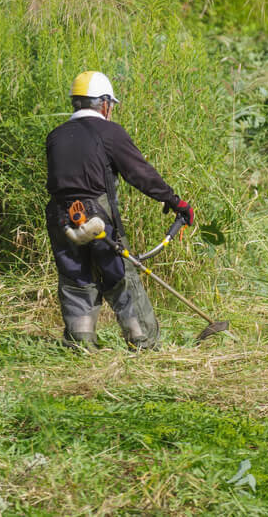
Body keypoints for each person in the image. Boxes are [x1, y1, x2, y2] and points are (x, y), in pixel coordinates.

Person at [45, 71, 194, 350]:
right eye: (110, 104)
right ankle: (143, 342)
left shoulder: (56, 136)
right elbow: (140, 173)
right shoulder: (108, 132)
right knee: (120, 277)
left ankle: (80, 345)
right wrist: (175, 202)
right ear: (103, 103)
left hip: (61, 219)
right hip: (97, 217)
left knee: (75, 278)